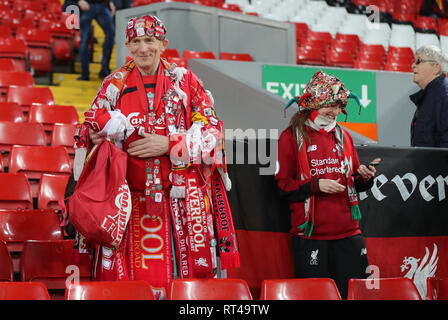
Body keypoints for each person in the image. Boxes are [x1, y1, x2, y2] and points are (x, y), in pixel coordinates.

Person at [72, 14, 239, 299]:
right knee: (129, 292)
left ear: (164, 44)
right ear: (128, 46)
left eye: (150, 40)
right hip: (124, 208)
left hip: (179, 206)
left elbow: (214, 133)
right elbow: (86, 128)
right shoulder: (114, 84)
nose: (143, 48)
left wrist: (170, 144)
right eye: (136, 41)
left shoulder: (185, 81)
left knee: (180, 288)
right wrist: (94, 134)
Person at [275, 71, 380, 299]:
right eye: (328, 105)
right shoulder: (291, 136)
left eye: (338, 106)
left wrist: (364, 178)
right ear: (313, 103)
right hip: (310, 237)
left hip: (349, 233)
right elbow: (283, 187)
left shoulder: (344, 135)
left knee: (355, 295)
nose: (334, 112)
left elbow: (352, 181)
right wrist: (315, 185)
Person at [63, 0, 116, 80]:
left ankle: (105, 70)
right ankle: (85, 73)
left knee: (111, 33)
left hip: (101, 4)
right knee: (84, 39)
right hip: (86, 5)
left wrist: (110, 1)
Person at [410, 45, 448, 147]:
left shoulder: (444, 98)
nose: (413, 65)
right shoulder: (430, 96)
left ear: (436, 68)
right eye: (414, 61)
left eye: (419, 61)